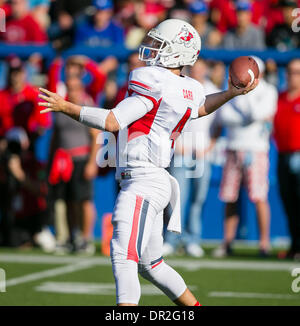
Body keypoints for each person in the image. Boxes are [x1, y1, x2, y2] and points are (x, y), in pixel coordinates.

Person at [38, 19, 257, 306]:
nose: (151, 48)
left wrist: (66, 106)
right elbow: (201, 108)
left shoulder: (153, 81)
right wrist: (230, 93)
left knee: (123, 255)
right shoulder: (186, 87)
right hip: (154, 179)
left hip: (143, 180)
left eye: (159, 45)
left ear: (178, 52)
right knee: (150, 264)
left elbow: (112, 121)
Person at [211, 57, 278, 258]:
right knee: (229, 197)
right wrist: (241, 101)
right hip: (233, 147)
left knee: (259, 196)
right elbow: (224, 117)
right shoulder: (230, 87)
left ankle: (264, 243)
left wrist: (244, 95)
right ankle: (227, 242)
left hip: (256, 149)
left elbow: (258, 114)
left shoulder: (268, 91)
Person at [163, 59, 220, 258]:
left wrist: (210, 145)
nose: (198, 71)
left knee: (198, 199)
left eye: (202, 68)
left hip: (202, 153)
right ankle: (171, 240)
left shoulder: (212, 89)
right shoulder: (180, 86)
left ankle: (192, 239)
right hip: (181, 152)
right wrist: (175, 143)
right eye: (195, 68)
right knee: (178, 199)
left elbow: (219, 124)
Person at [48, 76, 100, 255]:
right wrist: (51, 158)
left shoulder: (86, 107)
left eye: (75, 88)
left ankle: (86, 238)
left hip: (81, 159)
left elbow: (95, 136)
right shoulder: (60, 108)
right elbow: (55, 136)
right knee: (68, 201)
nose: (72, 92)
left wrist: (92, 162)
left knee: (84, 201)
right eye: (69, 88)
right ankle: (71, 237)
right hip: (63, 161)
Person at [273, 58, 300, 260]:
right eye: (290, 71)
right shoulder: (280, 97)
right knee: (289, 204)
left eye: (296, 72)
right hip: (283, 155)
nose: (292, 76)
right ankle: (295, 246)